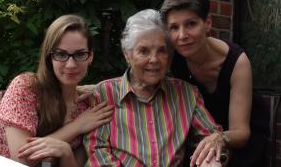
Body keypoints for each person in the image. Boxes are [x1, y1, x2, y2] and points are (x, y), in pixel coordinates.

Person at [83, 9, 226, 167]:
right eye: (144, 51)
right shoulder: (105, 93)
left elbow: (212, 137)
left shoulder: (186, 94)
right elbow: (97, 149)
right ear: (127, 54)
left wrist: (214, 149)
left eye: (161, 51)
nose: (154, 60)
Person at [0, 14, 114, 167]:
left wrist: (66, 152)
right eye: (61, 54)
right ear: (49, 57)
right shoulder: (26, 88)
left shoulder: (86, 108)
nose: (70, 64)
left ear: (91, 56)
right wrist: (77, 126)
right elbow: (21, 159)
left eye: (80, 54)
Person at [160, 0, 253, 167]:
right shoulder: (173, 55)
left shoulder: (237, 62)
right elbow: (142, 76)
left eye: (191, 24)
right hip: (201, 129)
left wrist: (220, 137)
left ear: (208, 23)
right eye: (174, 27)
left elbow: (242, 131)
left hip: (236, 134)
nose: (182, 35)